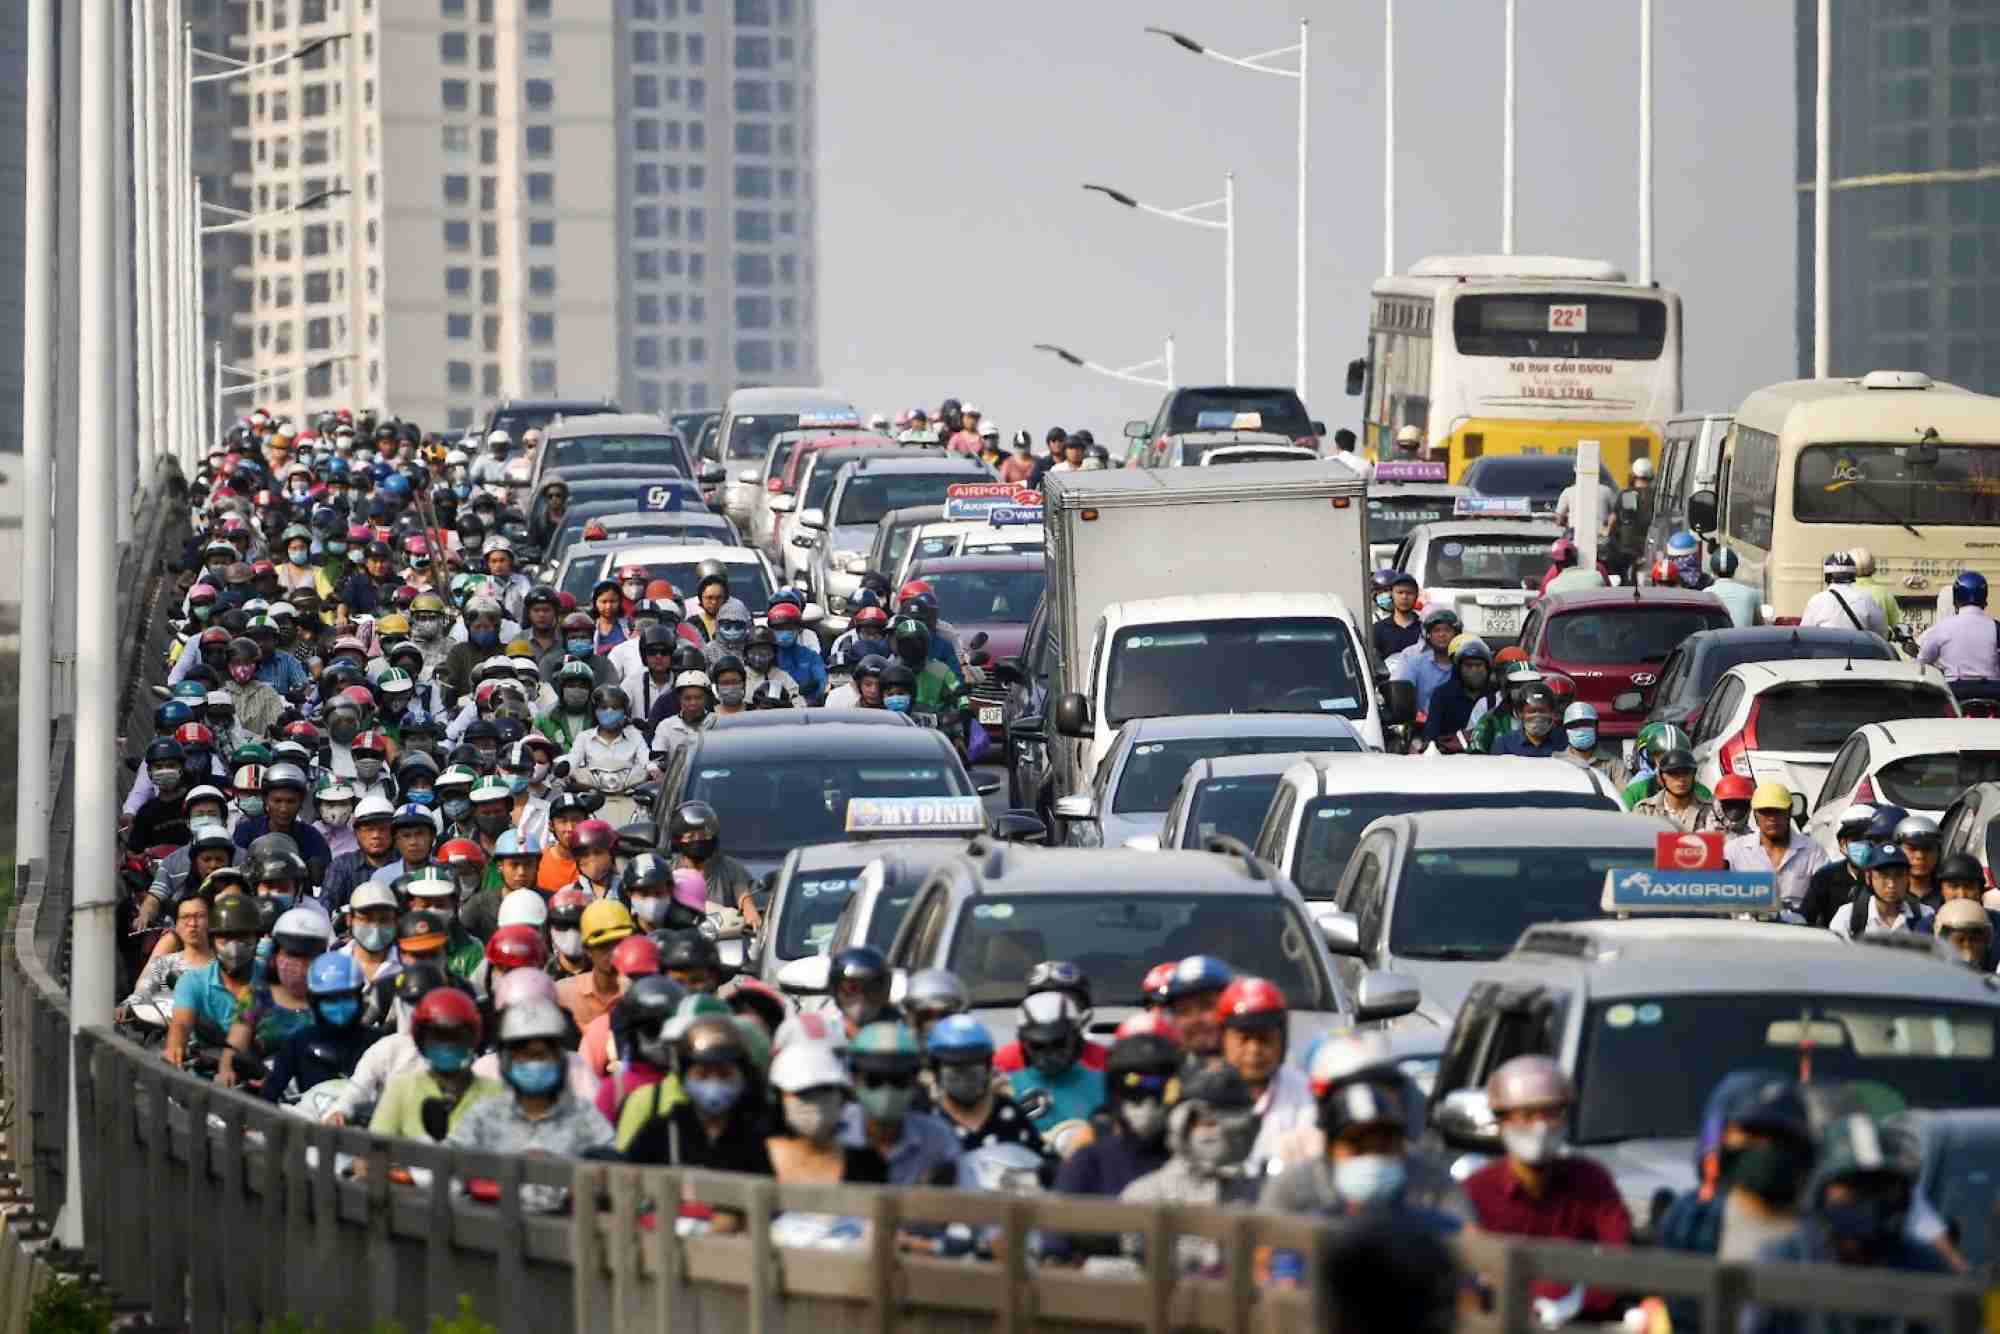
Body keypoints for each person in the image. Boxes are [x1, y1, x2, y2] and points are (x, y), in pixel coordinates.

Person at [1742, 1114, 1953, 1334]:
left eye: (1881, 1187)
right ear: (1822, 1194)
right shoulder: (1783, 1262)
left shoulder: (1926, 1268)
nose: (1869, 1200)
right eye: (1855, 1187)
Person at [1461, 1056, 1632, 1323]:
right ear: (1501, 1121)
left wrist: (1580, 1302)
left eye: (1551, 1113)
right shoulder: (1476, 1190)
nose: (1539, 1127)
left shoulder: (1591, 1181)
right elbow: (1466, 1273)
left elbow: (1620, 1254)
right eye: (1526, 1115)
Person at [1263, 1031, 1463, 1229]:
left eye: (1384, 1143)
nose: (1373, 1157)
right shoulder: (1293, 1191)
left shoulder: (1435, 1189)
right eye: (1357, 1145)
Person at [446, 997, 616, 1174]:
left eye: (542, 1054)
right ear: (505, 1061)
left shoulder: (586, 1117)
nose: (534, 1063)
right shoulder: (483, 1116)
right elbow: (446, 1169)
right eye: (523, 1054)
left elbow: (613, 1172)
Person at [1055, 1018, 1179, 1197]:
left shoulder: (1197, 1161)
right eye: (1131, 1084)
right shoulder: (1090, 1162)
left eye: (1157, 1085)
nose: (1145, 1101)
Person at [217, 906, 333, 1091]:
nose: (299, 964)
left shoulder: (333, 1001)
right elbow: (235, 1044)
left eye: (307, 956)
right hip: (260, 1091)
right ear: (275, 955)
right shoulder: (257, 996)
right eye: (291, 954)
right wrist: (227, 1071)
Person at [1211, 977, 1316, 1174]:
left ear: (1282, 1040)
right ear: (1222, 1039)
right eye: (1244, 1038)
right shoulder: (1202, 1092)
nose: (1254, 1050)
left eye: (1264, 1038)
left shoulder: (1305, 1092)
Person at [840, 1021, 961, 1186]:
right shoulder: (834, 1131)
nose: (887, 1091)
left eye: (898, 1080)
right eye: (874, 1080)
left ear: (914, 1081)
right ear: (854, 1080)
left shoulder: (939, 1139)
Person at [261, 952, 380, 1103]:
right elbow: (268, 1097)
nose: (339, 1006)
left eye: (347, 997)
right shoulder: (298, 1043)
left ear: (359, 996)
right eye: (330, 1000)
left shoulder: (380, 1043)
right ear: (314, 1002)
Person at [765, 1039, 887, 1186]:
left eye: (825, 1090)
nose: (816, 1102)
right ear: (780, 1098)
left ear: (842, 1097)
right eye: (803, 1092)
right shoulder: (753, 1158)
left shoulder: (869, 1165)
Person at [923, 1015, 1047, 1157]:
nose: (965, 1077)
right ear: (936, 1070)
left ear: (988, 1066)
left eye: (973, 1067)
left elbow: (1039, 1164)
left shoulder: (1011, 1116)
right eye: (956, 1068)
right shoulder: (926, 1122)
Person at [1722, 782, 1825, 915]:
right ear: (1755, 815)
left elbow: (1825, 895)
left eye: (1778, 812)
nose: (1772, 818)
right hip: (1748, 930)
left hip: (1798, 930)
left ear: (1790, 811)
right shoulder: (1734, 851)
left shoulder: (1813, 851)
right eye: (1765, 812)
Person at [668, 800, 757, 924]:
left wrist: (750, 913)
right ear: (679, 840)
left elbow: (744, 897)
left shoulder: (731, 868)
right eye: (690, 836)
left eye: (704, 835)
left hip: (725, 939)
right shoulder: (668, 870)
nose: (698, 840)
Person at [1827, 835, 1933, 938]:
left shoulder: (1925, 915)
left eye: (1899, 875)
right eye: (1883, 876)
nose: (1891, 884)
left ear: (1908, 878)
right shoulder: (1847, 917)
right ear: (1869, 878)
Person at [555, 898, 635, 1031]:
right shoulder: (563, 995)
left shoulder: (640, 993)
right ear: (587, 950)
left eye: (619, 943)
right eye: (603, 946)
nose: (613, 952)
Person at [1417, 636, 1498, 753]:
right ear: (1458, 669)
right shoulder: (1442, 694)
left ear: (1487, 668)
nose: (1474, 671)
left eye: (1479, 665)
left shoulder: (1496, 695)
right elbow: (1431, 736)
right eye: (1469, 666)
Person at [1919, 570, 2000, 680]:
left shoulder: (1943, 627)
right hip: (1992, 691)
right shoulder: (1996, 627)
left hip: (1955, 691)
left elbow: (1923, 661)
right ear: (1984, 601)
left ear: (1955, 601)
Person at [1390, 606, 1458, 718]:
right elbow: (1400, 695)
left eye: (1447, 630)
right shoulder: (1412, 657)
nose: (1442, 635)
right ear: (1427, 634)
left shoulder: (1463, 658)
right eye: (1437, 630)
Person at [1800, 550, 1888, 636]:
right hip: (1857, 650)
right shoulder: (1866, 600)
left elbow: (1804, 635)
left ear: (1827, 576)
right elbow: (1882, 633)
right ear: (1853, 574)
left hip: (1825, 650)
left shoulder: (1816, 600)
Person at [1631, 748, 1713, 831]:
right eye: (1673, 773)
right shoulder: (1645, 811)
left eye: (1686, 772)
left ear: (1693, 775)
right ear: (1662, 777)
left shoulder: (1710, 811)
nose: (1681, 779)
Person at [1491, 685, 1563, 757]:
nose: (1537, 716)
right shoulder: (1504, 744)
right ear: (1519, 714)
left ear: (1553, 713)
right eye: (1531, 711)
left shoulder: (1564, 742)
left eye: (1542, 711)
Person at [1371, 572, 1422, 661]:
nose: (1404, 597)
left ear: (1416, 596)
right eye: (1400, 592)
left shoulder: (1424, 628)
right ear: (1391, 595)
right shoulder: (1378, 629)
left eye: (1409, 593)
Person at [1708, 546, 1761, 629]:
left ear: (1712, 571)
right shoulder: (1751, 593)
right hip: (1743, 641)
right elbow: (1760, 624)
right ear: (1735, 569)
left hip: (1715, 641)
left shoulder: (1705, 594)